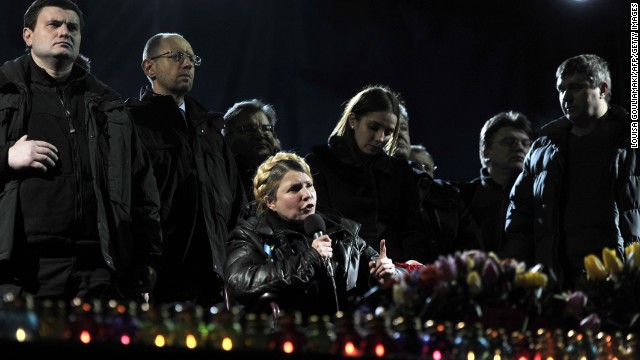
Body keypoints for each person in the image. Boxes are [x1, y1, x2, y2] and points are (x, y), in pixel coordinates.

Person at [0, 0, 162, 302]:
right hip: (24, 269)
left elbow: (141, 187)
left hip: (99, 267)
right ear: (28, 36)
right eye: (54, 24)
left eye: (72, 27)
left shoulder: (107, 103)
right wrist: (6, 156)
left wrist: (147, 260)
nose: (65, 32)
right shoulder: (4, 89)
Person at [126, 33, 245, 307]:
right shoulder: (132, 124)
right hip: (161, 277)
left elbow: (236, 202)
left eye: (192, 57)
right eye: (177, 56)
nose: (188, 64)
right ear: (149, 67)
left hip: (216, 279)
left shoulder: (210, 129)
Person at [503, 54, 639, 290]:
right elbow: (519, 217)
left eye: (576, 87)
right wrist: (520, 276)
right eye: (561, 89)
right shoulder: (543, 147)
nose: (566, 96)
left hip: (622, 283)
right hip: (557, 283)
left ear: (602, 89)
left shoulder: (631, 140)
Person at [224, 152, 402, 318]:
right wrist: (310, 259)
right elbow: (240, 282)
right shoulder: (251, 235)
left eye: (309, 185)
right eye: (294, 189)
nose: (307, 195)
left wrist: (388, 272)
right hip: (289, 338)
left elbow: (382, 268)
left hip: (345, 336)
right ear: (271, 202)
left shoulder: (341, 232)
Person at [305, 85, 426, 263]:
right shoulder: (320, 163)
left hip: (392, 274)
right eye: (373, 127)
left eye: (388, 132)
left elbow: (412, 229)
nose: (380, 138)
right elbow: (318, 224)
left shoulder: (399, 171)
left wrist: (409, 265)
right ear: (353, 120)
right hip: (342, 272)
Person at [393, 105, 482, 262]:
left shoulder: (447, 194)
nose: (399, 133)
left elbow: (473, 249)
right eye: (390, 129)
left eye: (403, 128)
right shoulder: (363, 188)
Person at [454, 111, 533, 254]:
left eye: (526, 143)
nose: (520, 148)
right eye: (510, 142)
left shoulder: (536, 195)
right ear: (486, 152)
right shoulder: (463, 198)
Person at [223, 99, 282, 202]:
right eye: (248, 129)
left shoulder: (289, 173)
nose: (260, 135)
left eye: (266, 129)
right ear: (228, 138)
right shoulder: (222, 179)